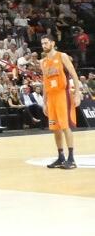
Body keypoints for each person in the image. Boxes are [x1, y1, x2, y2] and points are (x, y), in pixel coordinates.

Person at [40, 35, 82, 169]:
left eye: (46, 43)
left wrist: (77, 94)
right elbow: (44, 83)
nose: (44, 45)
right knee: (55, 129)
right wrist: (44, 102)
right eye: (42, 44)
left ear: (53, 43)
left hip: (62, 95)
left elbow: (74, 75)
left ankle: (71, 158)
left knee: (65, 126)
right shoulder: (43, 62)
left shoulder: (62, 56)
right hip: (51, 97)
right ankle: (60, 157)